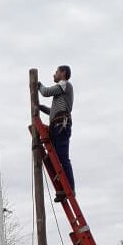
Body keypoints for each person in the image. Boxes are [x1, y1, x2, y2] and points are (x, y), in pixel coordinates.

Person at [38, 65, 75, 201]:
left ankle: (69, 188)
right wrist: (41, 108)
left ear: (63, 73)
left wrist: (38, 85)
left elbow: (46, 92)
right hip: (57, 124)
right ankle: (62, 189)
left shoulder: (64, 84)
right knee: (54, 158)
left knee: (62, 157)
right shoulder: (61, 94)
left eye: (56, 72)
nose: (54, 74)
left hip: (61, 125)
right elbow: (53, 111)